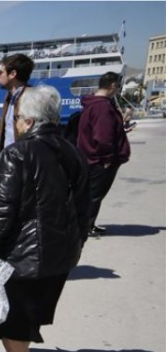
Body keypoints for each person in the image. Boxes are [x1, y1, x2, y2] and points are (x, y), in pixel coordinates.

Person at [0, 85, 89, 352]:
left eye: (16, 118)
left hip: (23, 255)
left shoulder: (16, 154)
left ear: (26, 120)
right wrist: (77, 242)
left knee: (13, 317)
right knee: (28, 313)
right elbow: (85, 207)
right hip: (62, 251)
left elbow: (1, 211)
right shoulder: (73, 151)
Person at [77, 72, 131, 238]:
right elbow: (103, 136)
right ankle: (86, 226)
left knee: (92, 194)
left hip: (91, 157)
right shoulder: (102, 107)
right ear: (112, 86)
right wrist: (107, 159)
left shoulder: (94, 104)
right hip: (99, 160)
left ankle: (89, 224)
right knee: (94, 195)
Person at [0, 53, 35, 152]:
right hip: (9, 159)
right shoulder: (9, 98)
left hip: (20, 161)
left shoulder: (30, 99)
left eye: (1, 72)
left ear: (12, 74)